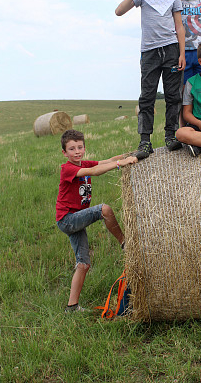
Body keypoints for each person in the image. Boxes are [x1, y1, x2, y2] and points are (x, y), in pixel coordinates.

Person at [56, 129, 138, 313]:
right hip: (68, 219)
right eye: (71, 149)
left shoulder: (83, 162)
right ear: (64, 152)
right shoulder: (68, 169)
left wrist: (129, 155)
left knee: (83, 264)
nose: (76, 151)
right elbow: (95, 171)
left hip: (75, 218)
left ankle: (72, 306)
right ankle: (125, 243)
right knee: (104, 209)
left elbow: (106, 161)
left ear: (84, 147)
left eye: (80, 147)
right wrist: (121, 164)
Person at [115, 0, 186, 158]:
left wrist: (182, 53)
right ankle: (145, 141)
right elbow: (119, 11)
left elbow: (179, 26)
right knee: (147, 97)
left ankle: (171, 136)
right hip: (149, 52)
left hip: (171, 49)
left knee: (173, 96)